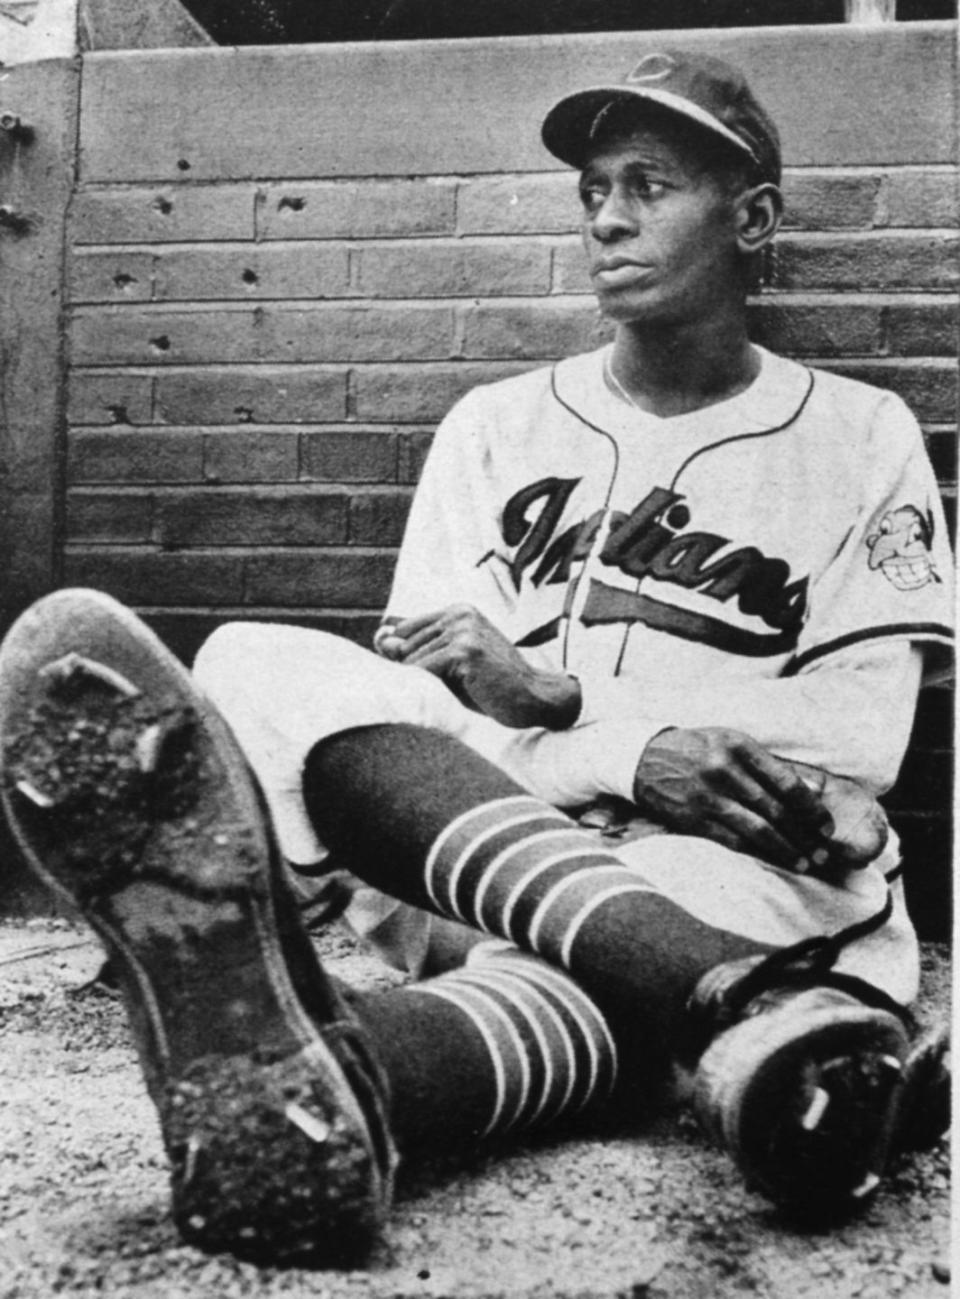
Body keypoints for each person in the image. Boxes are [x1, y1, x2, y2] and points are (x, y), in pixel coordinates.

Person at [0, 50, 951, 1268]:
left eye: (649, 184)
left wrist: (569, 709)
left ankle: (348, 1074)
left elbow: (862, 735)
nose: (607, 216)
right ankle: (755, 1011)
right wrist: (620, 749)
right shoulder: (494, 428)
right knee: (254, 661)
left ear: (753, 217)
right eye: (593, 188)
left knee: (617, 968)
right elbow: (418, 713)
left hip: (734, 863)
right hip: (477, 859)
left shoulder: (857, 432)